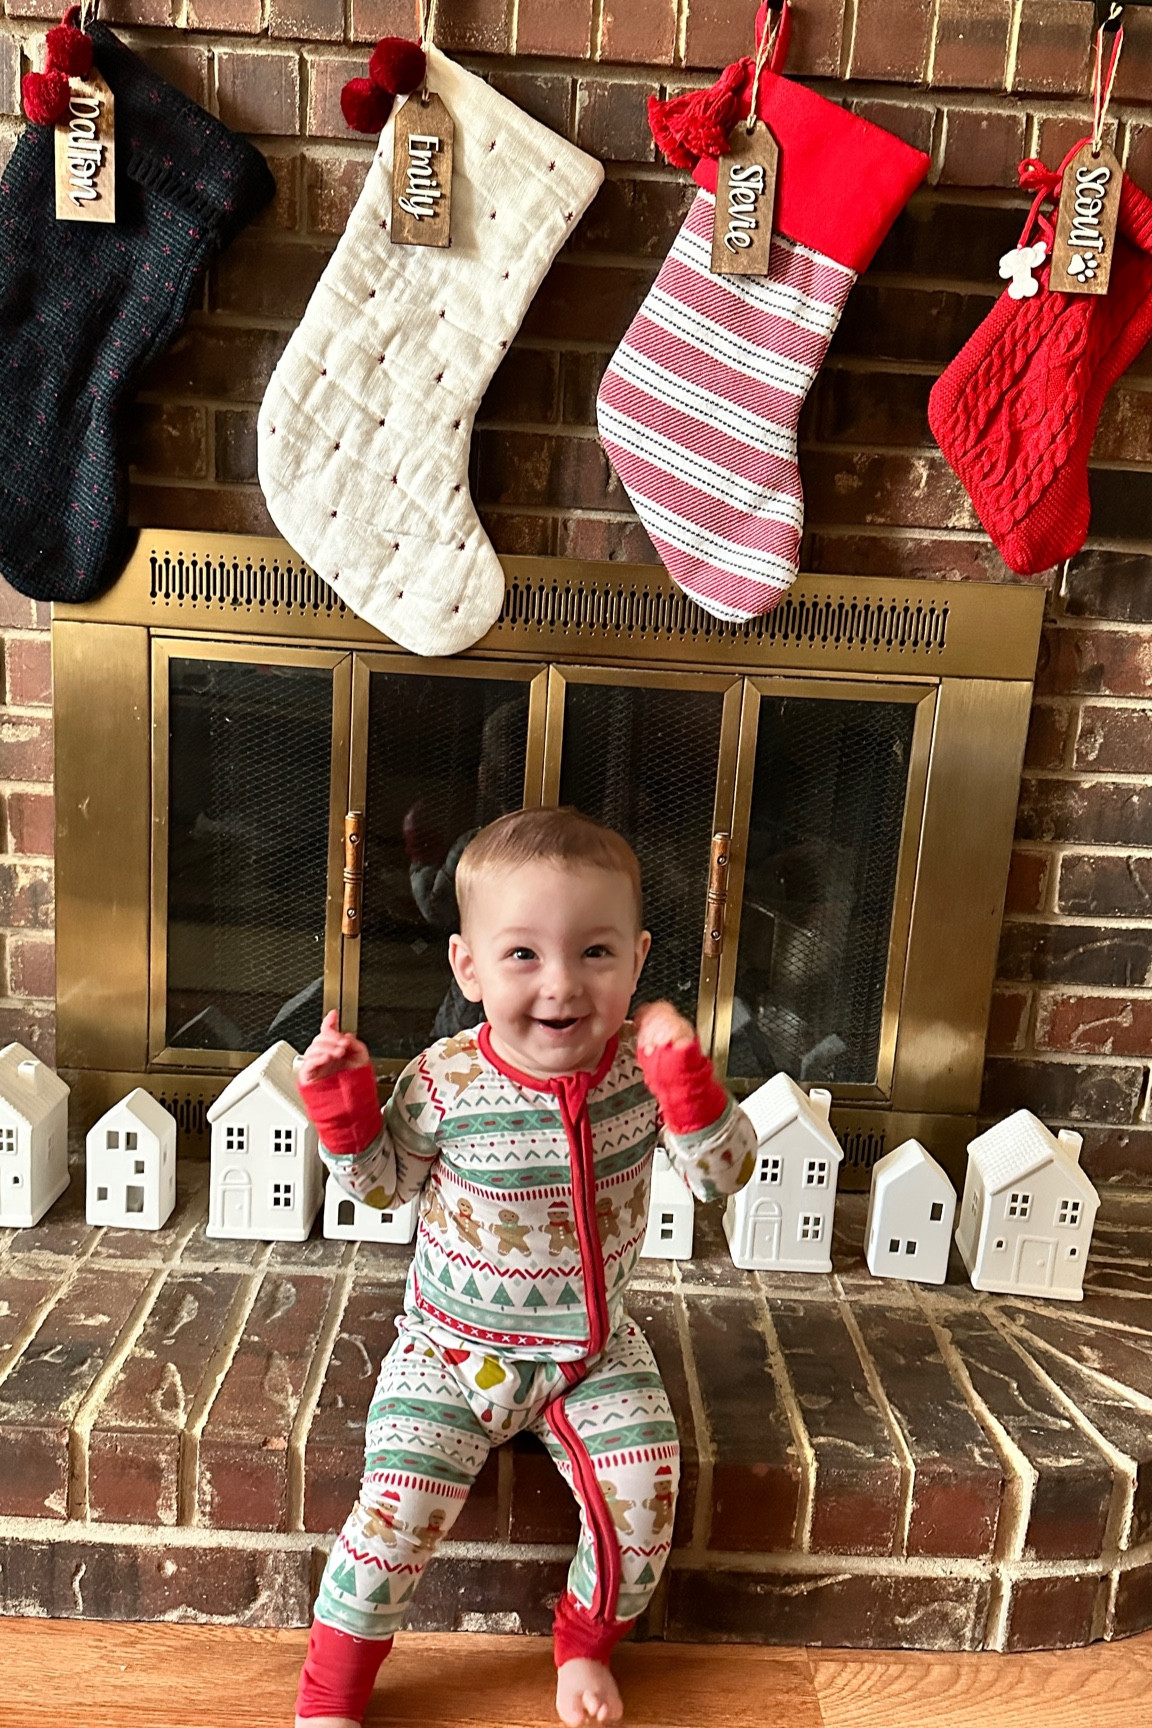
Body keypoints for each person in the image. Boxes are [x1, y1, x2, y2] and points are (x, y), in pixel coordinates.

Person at [292, 807, 757, 1728]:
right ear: (468, 968)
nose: (562, 984)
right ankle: (330, 1696)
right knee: (394, 1512)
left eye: (595, 952)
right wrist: (343, 1106)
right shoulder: (444, 1081)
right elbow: (382, 1186)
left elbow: (724, 1177)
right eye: (522, 955)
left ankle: (585, 1645)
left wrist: (691, 1091)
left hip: (592, 1355)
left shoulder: (641, 1073)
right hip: (452, 1352)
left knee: (644, 1495)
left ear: (637, 960)